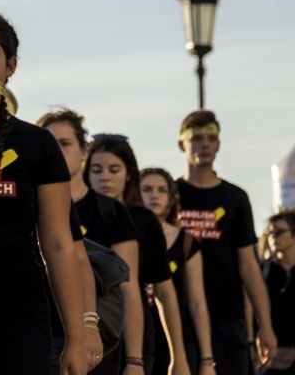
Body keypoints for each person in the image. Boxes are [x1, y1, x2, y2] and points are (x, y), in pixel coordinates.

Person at [0, 9, 87, 374]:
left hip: (18, 313)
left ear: (11, 65)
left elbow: (57, 242)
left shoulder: (37, 143)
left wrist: (77, 336)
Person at [175, 109, 277, 375]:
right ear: (181, 144)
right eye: (196, 138)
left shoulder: (235, 197)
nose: (204, 144)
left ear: (219, 144)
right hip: (179, 314)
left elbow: (249, 266)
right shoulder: (171, 195)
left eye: (210, 138)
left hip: (227, 316)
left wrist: (264, 325)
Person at [86, 135, 189, 375]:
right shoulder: (73, 212)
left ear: (129, 174)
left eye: (114, 169)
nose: (105, 177)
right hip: (83, 330)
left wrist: (179, 357)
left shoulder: (143, 220)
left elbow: (165, 291)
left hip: (132, 335)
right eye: (97, 169)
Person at [34, 108, 121, 371]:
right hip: (29, 328)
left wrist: (88, 324)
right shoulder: (27, 187)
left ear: (84, 151)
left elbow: (76, 257)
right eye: (50, 143)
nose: (57, 151)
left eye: (65, 143)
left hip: (67, 335)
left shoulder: (109, 210)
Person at [139, 167, 217, 375]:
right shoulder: (125, 235)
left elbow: (197, 303)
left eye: (161, 190)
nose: (154, 195)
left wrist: (207, 361)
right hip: (137, 338)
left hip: (178, 341)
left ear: (171, 197)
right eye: (146, 189)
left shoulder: (186, 243)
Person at [258, 210, 295, 375]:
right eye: (270, 232)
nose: (273, 236)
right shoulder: (262, 271)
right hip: (269, 359)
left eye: (278, 232)